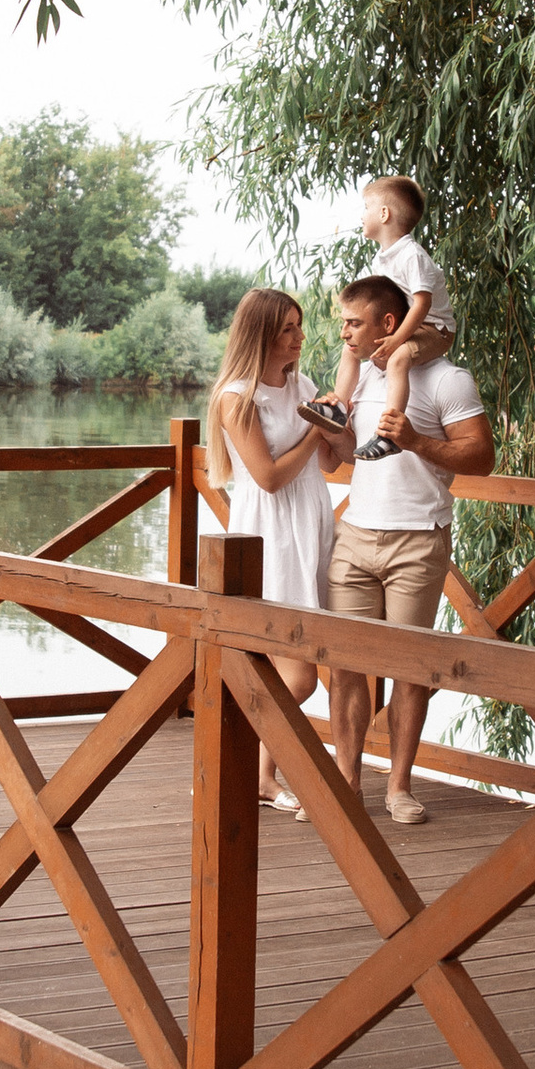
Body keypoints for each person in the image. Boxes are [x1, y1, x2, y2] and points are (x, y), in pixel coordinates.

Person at [317, 272, 491, 825]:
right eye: (342, 323)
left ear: (388, 325)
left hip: (418, 540)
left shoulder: (448, 380)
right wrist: (330, 427)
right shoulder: (363, 380)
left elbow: (481, 458)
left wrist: (414, 440)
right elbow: (348, 456)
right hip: (356, 536)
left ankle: (398, 788)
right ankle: (347, 783)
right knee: (345, 668)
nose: (344, 333)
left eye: (353, 323)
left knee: (408, 668)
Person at [204, 286, 333, 813]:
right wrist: (316, 430)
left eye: (300, 326)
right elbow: (269, 476)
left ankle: (258, 775)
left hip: (313, 521)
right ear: (261, 334)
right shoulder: (238, 396)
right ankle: (232, 759)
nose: (301, 337)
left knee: (283, 665)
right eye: (288, 329)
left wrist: (335, 428)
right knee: (297, 673)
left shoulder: (304, 384)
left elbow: (329, 462)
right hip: (271, 529)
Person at [315, 175, 456, 449]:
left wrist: (397, 339)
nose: (362, 216)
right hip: (407, 325)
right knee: (350, 348)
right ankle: (338, 407)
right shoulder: (381, 258)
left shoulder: (411, 255)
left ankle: (388, 433)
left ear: (384, 213)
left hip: (436, 329)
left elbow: (422, 304)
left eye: (366, 207)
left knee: (398, 359)